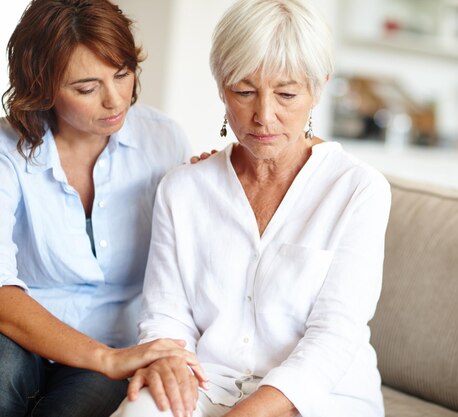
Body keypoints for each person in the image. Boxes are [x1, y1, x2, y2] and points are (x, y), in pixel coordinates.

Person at [111, 0, 391, 416]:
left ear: (318, 89)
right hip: (207, 381)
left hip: (317, 396)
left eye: (287, 94)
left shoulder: (357, 189)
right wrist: (169, 362)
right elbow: (165, 315)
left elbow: (333, 336)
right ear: (221, 88)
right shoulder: (182, 189)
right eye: (244, 91)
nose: (264, 115)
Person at [0, 1, 207, 416]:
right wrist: (105, 358)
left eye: (122, 74)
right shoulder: (6, 150)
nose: (115, 101)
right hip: (23, 339)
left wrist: (209, 192)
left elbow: (191, 258)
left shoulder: (163, 139)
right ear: (42, 87)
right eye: (86, 88)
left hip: (120, 341)